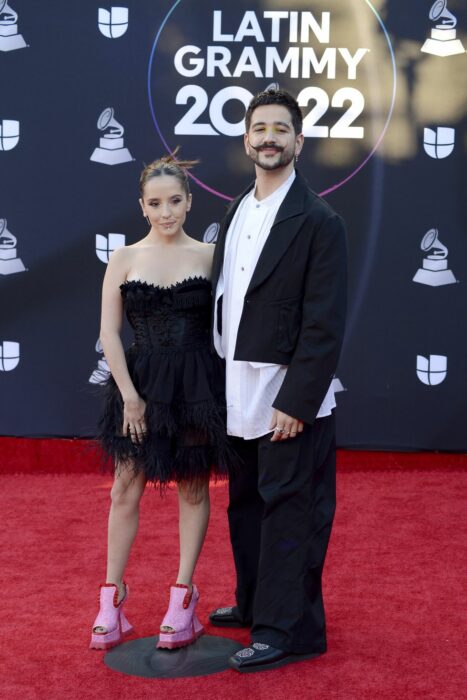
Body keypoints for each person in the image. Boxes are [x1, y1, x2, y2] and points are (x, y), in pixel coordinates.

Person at [209, 89, 348, 672]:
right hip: (236, 384)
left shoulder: (320, 221)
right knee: (245, 504)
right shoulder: (236, 208)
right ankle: (253, 602)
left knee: (290, 509)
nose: (269, 137)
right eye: (259, 128)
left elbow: (324, 321)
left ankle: (283, 630)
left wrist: (298, 400)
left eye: (280, 129)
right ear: (246, 140)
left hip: (287, 395)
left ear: (298, 141)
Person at [90, 153, 232, 651]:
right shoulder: (124, 258)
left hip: (196, 387)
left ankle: (181, 598)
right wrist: (130, 396)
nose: (166, 211)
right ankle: (110, 602)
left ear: (190, 202)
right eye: (156, 203)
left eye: (175, 201)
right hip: (141, 383)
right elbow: (109, 332)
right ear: (142, 206)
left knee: (193, 487)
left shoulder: (210, 256)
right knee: (123, 489)